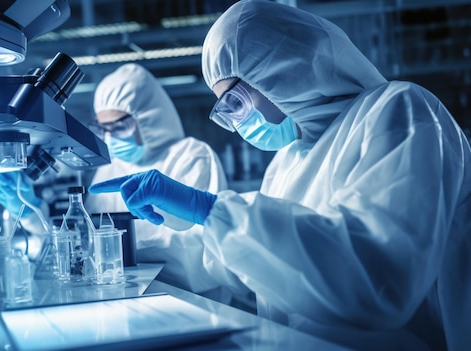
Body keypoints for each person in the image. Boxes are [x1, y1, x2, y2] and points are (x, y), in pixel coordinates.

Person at [88, 1, 471, 351]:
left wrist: (210, 209)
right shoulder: (288, 160)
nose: (237, 126)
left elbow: (376, 279)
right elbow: (251, 270)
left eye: (235, 103)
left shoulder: (401, 110)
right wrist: (189, 221)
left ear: (283, 71)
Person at [84, 63, 242, 304]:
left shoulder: (192, 155)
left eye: (118, 127)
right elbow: (87, 234)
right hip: (126, 298)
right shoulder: (110, 168)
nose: (109, 138)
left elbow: (197, 253)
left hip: (193, 300)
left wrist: (121, 249)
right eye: (102, 129)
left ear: (147, 117)